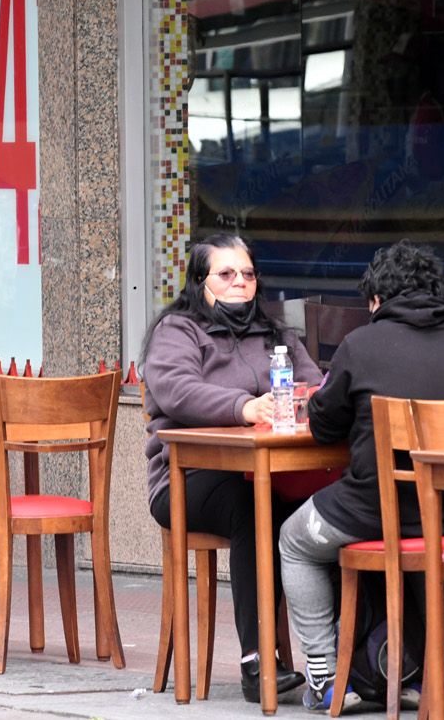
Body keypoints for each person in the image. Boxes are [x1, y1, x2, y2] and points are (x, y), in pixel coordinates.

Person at [278, 241, 444, 711]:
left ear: (376, 300)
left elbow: (323, 426)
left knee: (293, 540)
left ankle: (324, 675)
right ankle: (423, 674)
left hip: (379, 514)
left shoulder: (361, 346)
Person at [141, 233, 322, 702]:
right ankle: (257, 660)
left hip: (275, 472)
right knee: (252, 507)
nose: (240, 283)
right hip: (187, 481)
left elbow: (316, 388)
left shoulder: (278, 334)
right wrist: (244, 407)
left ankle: (346, 657)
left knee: (329, 510)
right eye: (226, 274)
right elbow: (177, 390)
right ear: (201, 282)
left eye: (248, 274)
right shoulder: (177, 331)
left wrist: (305, 404)